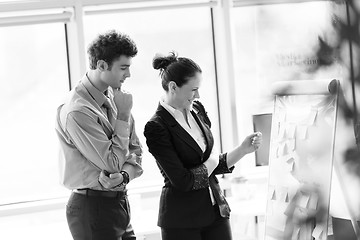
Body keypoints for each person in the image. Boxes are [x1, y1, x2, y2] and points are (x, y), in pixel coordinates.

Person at [143, 52, 262, 240]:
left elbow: (209, 166)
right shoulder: (156, 127)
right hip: (181, 222)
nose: (198, 95)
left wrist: (242, 150)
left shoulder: (197, 110)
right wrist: (213, 160)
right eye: (193, 89)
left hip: (216, 212)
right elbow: (184, 180)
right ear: (173, 87)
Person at [55, 30, 143, 240]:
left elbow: (136, 153)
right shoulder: (78, 110)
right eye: (123, 68)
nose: (128, 75)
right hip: (91, 208)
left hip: (119, 202)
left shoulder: (116, 96)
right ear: (102, 65)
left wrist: (124, 176)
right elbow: (112, 163)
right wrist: (123, 115)